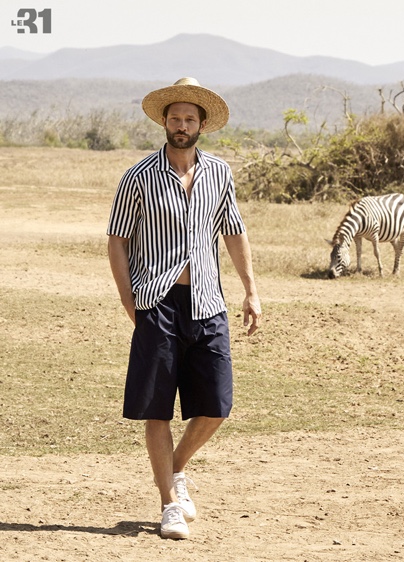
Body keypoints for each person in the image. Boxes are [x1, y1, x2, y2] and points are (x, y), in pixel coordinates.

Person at [107, 77, 261, 540]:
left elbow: (233, 232)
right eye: (174, 118)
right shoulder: (138, 176)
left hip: (208, 302)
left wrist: (252, 290)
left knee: (216, 405)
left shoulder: (220, 174)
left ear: (202, 124)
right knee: (157, 411)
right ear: (165, 122)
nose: (181, 125)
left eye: (189, 119)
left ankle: (173, 469)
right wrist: (127, 297)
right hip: (157, 300)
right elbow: (117, 240)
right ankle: (169, 505)